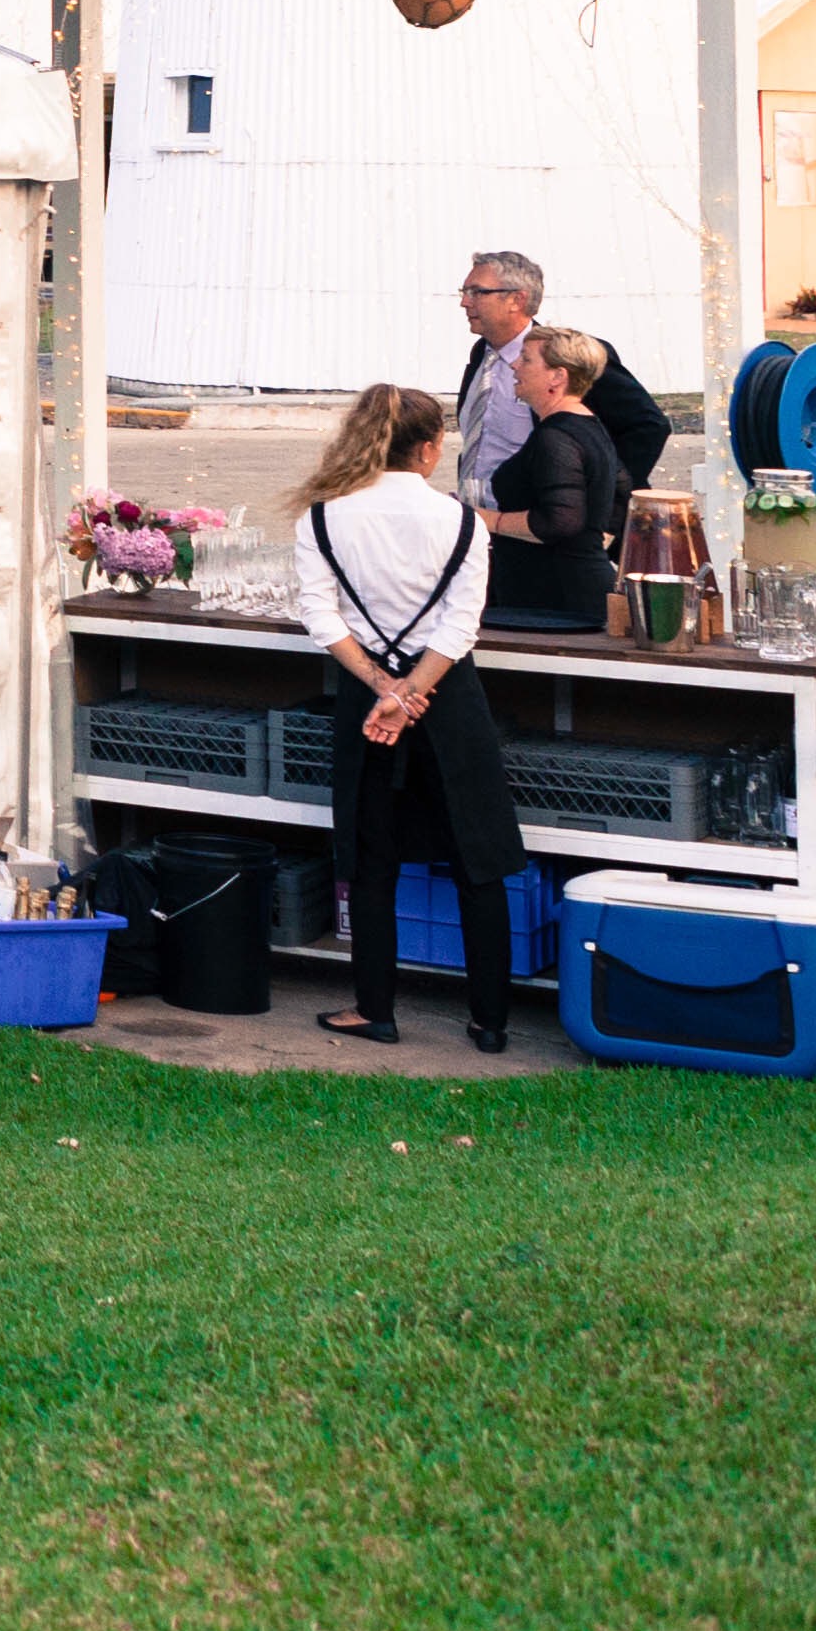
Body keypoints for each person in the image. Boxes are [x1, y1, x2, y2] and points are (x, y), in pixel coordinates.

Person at [286, 379, 522, 1050]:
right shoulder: (464, 522)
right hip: (448, 696)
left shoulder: (323, 518)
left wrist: (382, 689)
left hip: (367, 699)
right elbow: (461, 626)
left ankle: (375, 1008)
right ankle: (490, 1019)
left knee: (369, 858)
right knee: (479, 860)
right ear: (429, 448)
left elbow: (318, 615)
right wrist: (415, 689)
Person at [448, 248, 664, 505]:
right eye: (464, 292)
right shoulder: (481, 355)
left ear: (516, 300)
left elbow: (648, 426)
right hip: (483, 526)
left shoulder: (566, 356)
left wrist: (601, 495)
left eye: (477, 292)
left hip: (542, 528)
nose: (465, 302)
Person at [479, 327, 628, 633]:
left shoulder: (556, 437)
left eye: (526, 359)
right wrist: (594, 537)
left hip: (554, 605)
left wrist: (484, 519)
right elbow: (623, 492)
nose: (514, 365)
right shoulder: (588, 425)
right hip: (570, 591)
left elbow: (559, 522)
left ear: (557, 377)